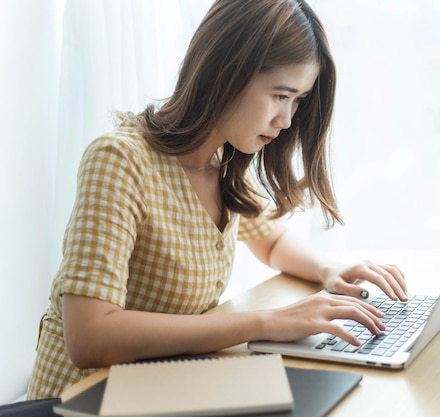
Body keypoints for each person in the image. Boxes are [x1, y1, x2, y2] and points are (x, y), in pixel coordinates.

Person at [27, 0, 407, 400]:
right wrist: (267, 322)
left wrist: (331, 269)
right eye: (281, 95)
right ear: (225, 73)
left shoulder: (222, 157)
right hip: (83, 400)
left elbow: (272, 240)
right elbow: (90, 336)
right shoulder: (120, 160)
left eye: (297, 101)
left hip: (163, 391)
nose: (287, 120)